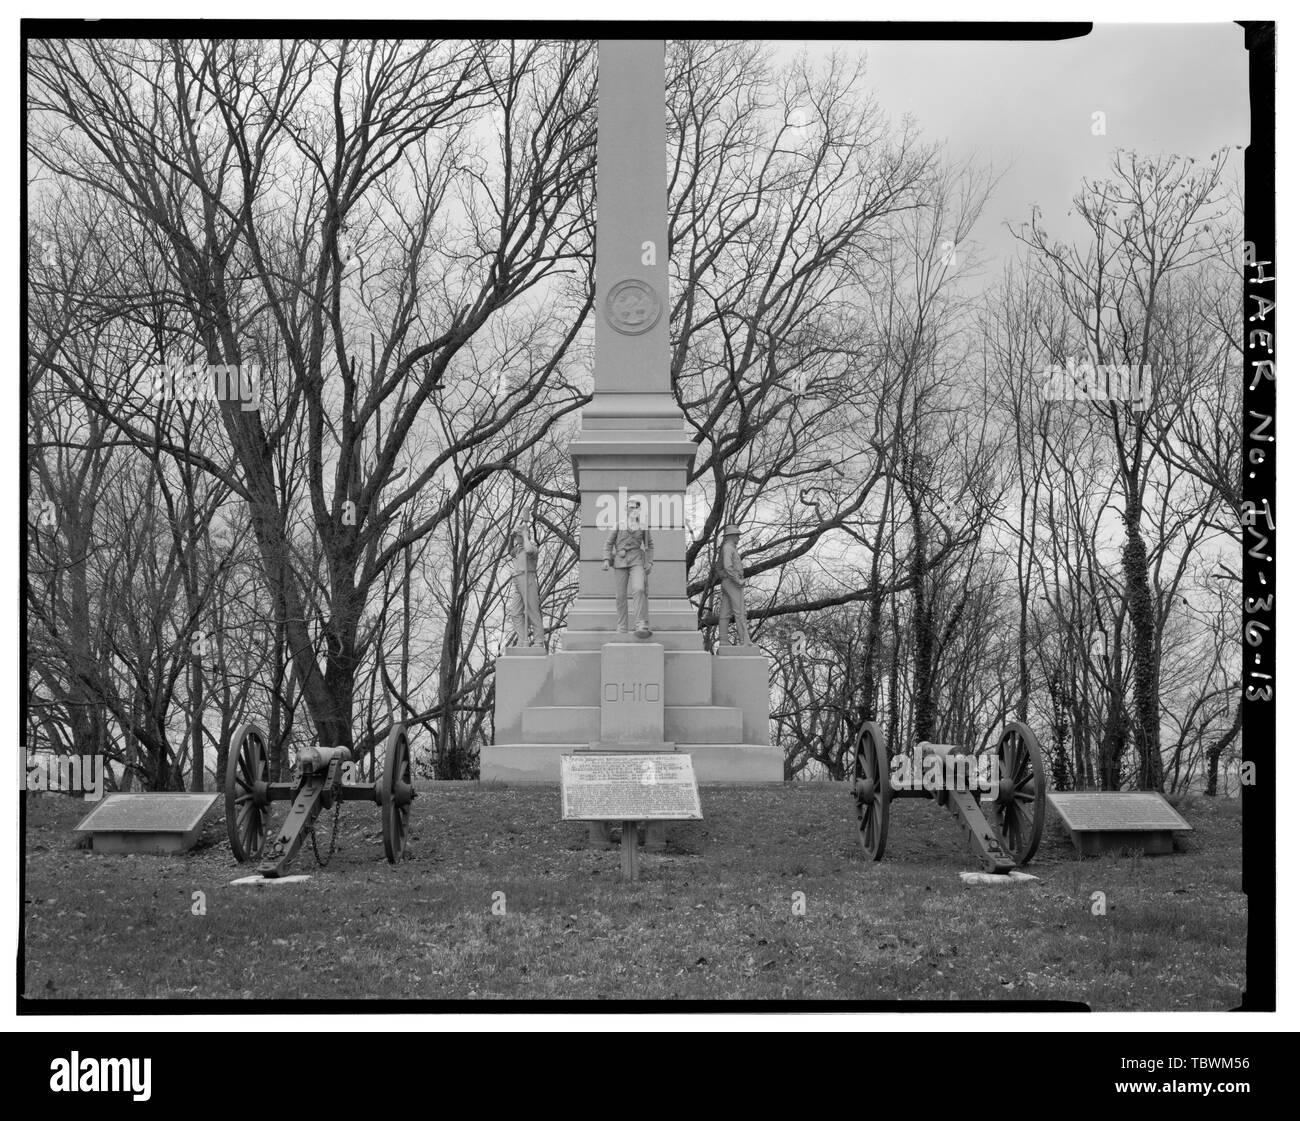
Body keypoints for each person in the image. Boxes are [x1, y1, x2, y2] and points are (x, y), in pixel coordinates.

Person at [603, 498, 654, 637]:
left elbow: (649, 545)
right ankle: (622, 626)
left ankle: (641, 624)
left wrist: (649, 562)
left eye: (635, 508)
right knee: (620, 596)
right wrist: (607, 559)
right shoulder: (618, 525)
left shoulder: (643, 526)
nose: (633, 510)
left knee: (639, 589)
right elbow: (609, 543)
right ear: (626, 509)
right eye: (630, 507)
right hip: (620, 561)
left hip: (637, 560)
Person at [505, 526, 544, 647]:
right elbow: (509, 551)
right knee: (515, 613)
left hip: (527, 579)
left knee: (532, 611)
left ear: (524, 536)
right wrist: (511, 538)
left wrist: (525, 535)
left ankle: (538, 641)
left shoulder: (531, 547)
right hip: (517, 580)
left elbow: (529, 551)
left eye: (518, 536)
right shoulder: (519, 549)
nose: (516, 538)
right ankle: (522, 640)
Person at [716, 524, 750, 645]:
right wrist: (737, 580)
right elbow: (726, 566)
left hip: (728, 581)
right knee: (740, 612)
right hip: (733, 582)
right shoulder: (729, 548)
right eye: (737, 535)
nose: (739, 538)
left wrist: (724, 576)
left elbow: (719, 568)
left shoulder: (727, 548)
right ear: (731, 536)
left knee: (725, 613)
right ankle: (744, 641)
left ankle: (723, 640)